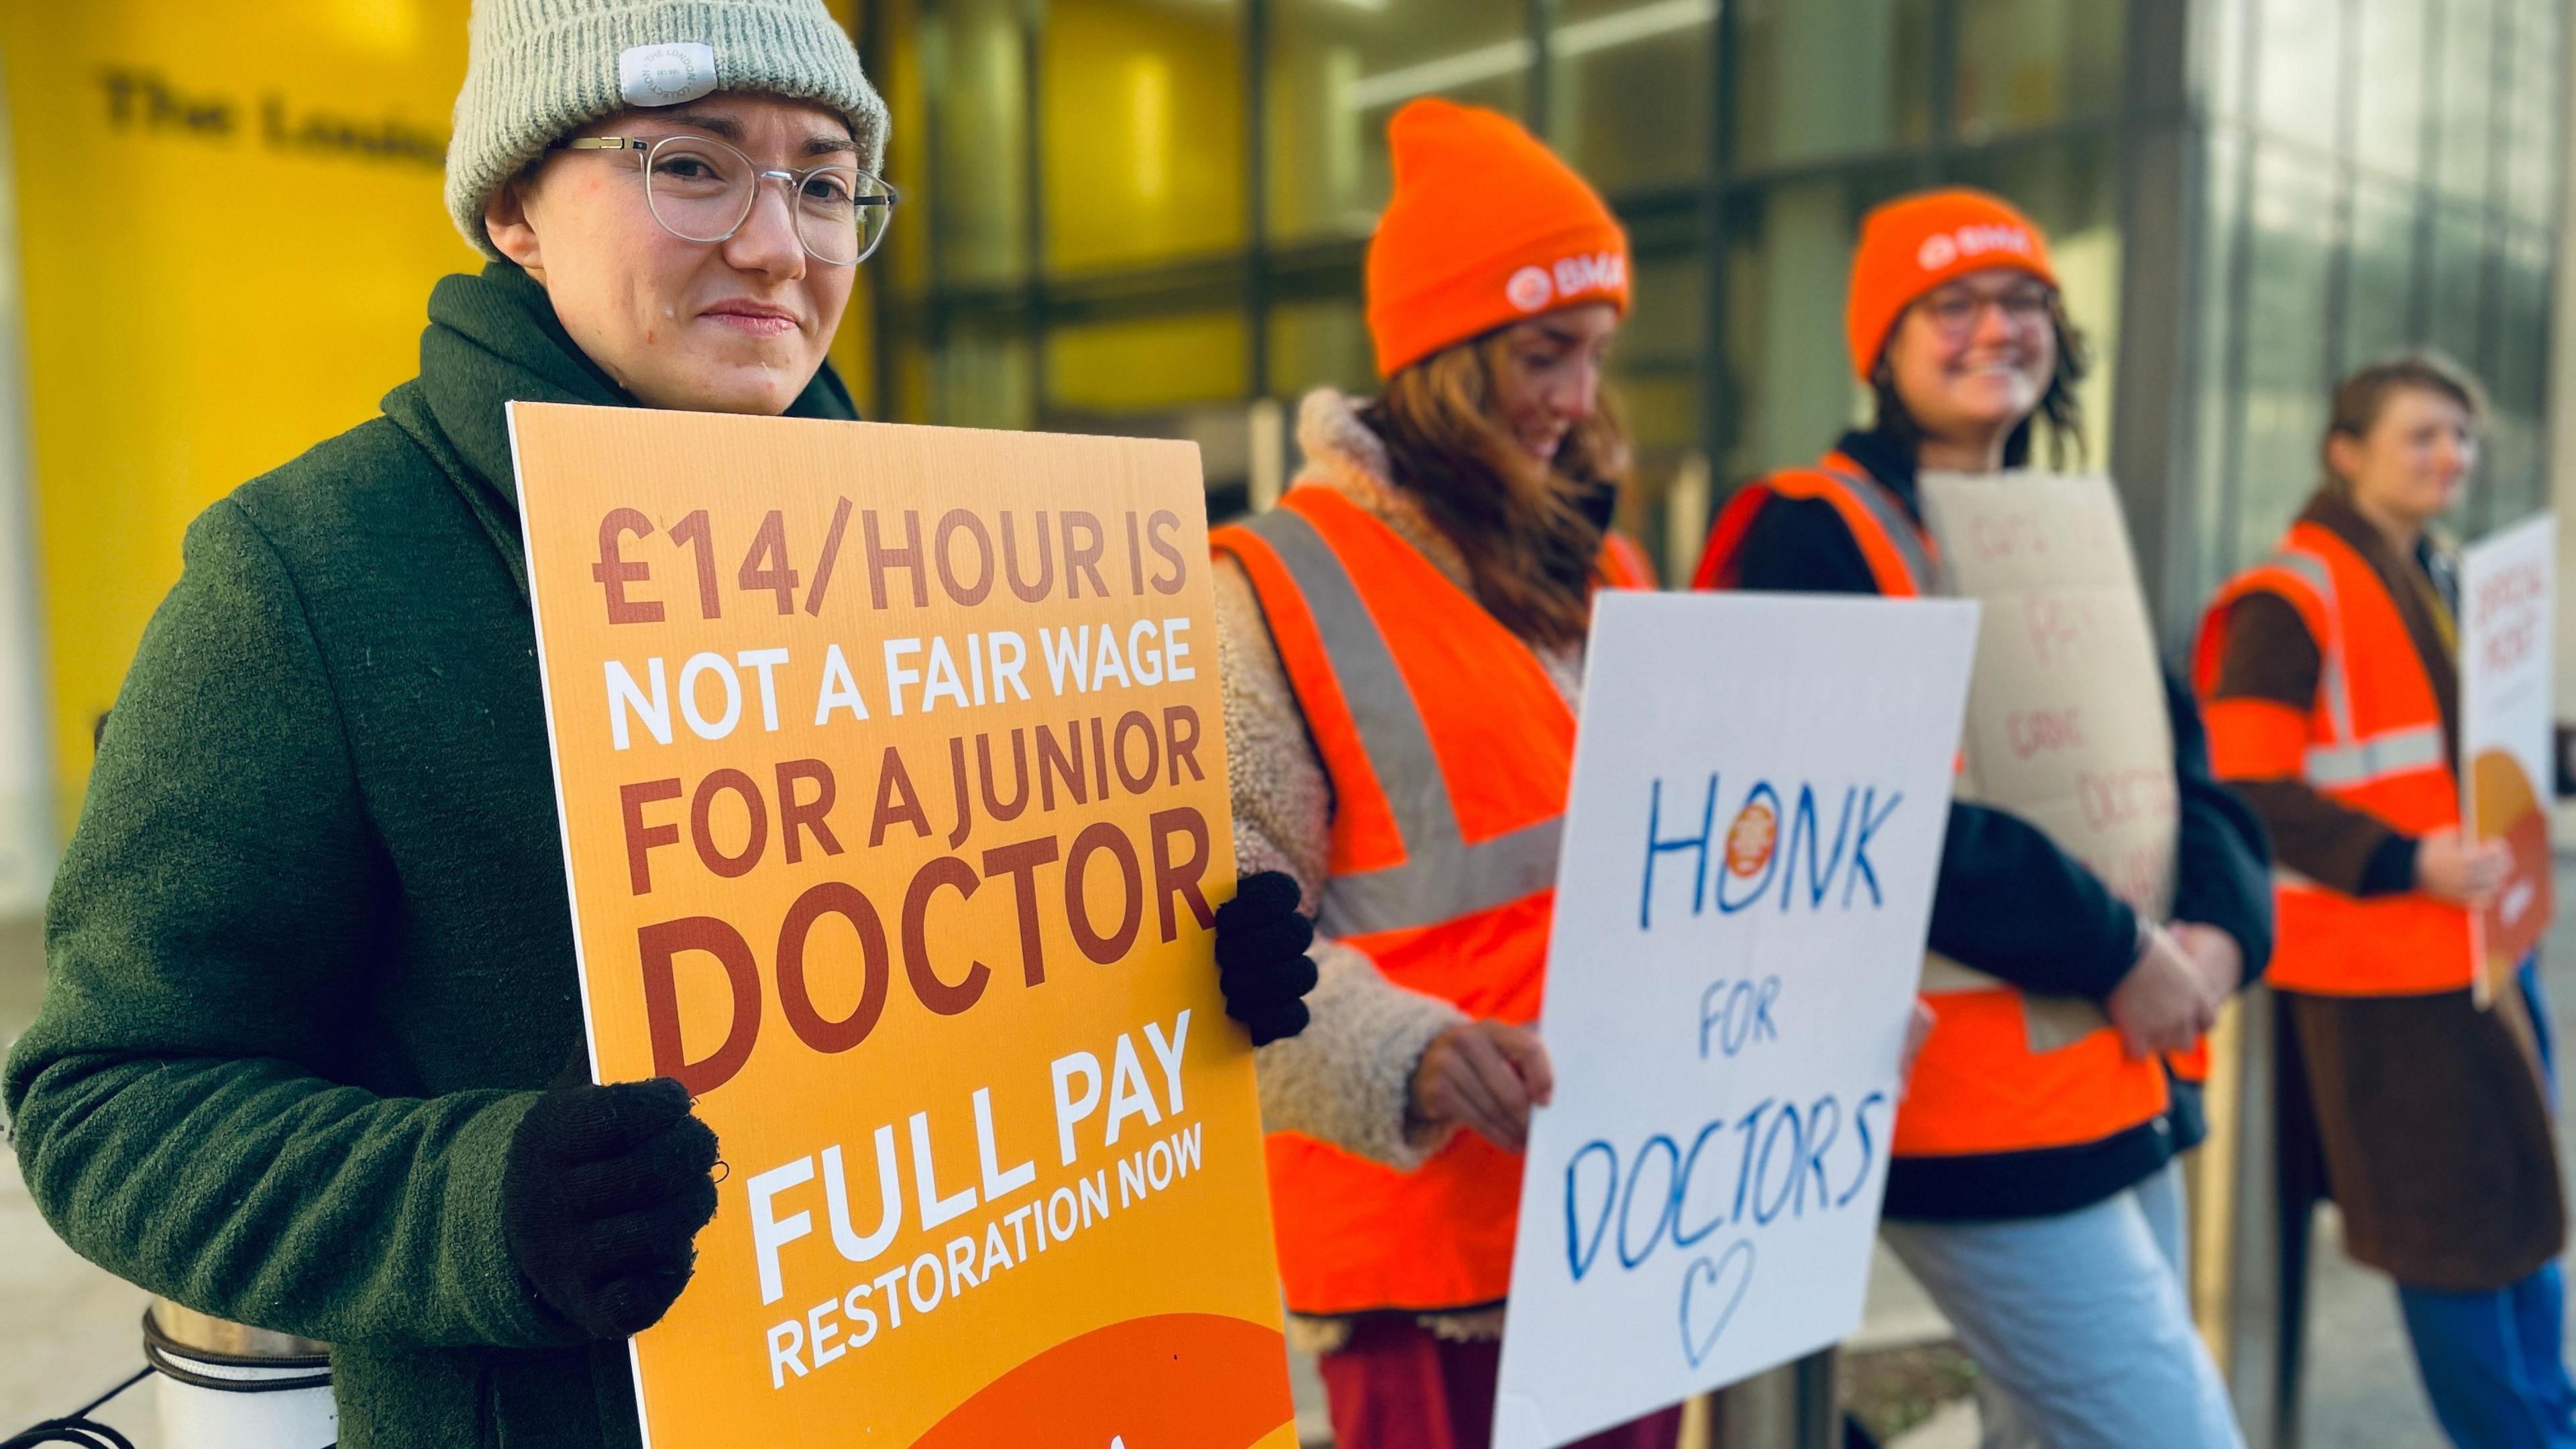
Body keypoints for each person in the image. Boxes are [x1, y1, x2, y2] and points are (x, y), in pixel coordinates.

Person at [0, 4, 1318, 1446]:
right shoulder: (312, 575)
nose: (778, 243)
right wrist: (474, 1203)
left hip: (960, 1383)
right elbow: (106, 1099)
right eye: (692, 165)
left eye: (823, 183)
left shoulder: (944, 556)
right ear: (514, 205)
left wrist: (1163, 966)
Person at [1693, 187, 2271, 1449]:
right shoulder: (1816, 534)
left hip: (2119, 1077)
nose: (1992, 328)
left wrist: (2225, 937)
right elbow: (1871, 818)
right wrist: (2124, 950)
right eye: (1947, 306)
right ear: (1881, 350)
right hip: (1960, 1107)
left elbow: (2186, 765)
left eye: (2021, 302)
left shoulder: (2059, 530)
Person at [1208, 97, 1668, 1449]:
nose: (1578, 402)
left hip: (1626, 1215)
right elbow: (1217, 934)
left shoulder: (1606, 574)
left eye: (1595, 356)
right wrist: (1401, 1054)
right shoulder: (1272, 585)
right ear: (1442, 355)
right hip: (1430, 1266)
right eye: (1543, 354)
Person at [2195, 352, 2576, 1449]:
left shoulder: (2447, 576)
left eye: (2462, 436)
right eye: (2423, 435)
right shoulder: (2289, 597)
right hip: (2383, 973)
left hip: (2483, 952)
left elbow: (2480, 751)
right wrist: (2405, 859)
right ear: (2345, 452)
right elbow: (2246, 788)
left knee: (2517, 1223)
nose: (2451, 456)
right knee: (2453, 1245)